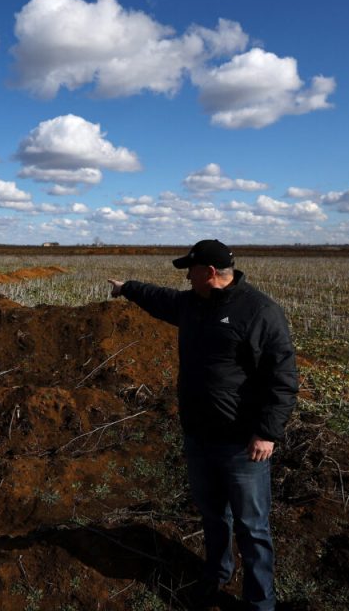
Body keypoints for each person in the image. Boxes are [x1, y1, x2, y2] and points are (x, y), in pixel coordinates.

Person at [108, 239, 298, 611]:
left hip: (241, 444)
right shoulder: (192, 304)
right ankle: (215, 575)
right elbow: (160, 298)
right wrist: (127, 288)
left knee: (252, 527)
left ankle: (260, 603)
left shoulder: (259, 312)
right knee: (213, 515)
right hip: (199, 436)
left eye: (190, 270)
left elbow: (283, 378)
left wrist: (267, 432)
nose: (185, 277)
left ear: (210, 273)